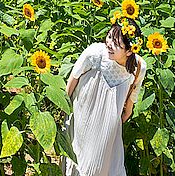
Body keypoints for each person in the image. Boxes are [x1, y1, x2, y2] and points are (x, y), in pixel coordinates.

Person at [63, 18, 147, 176]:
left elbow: (134, 90)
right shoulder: (95, 53)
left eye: (116, 44)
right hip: (83, 113)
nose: (109, 43)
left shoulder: (138, 66)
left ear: (129, 51)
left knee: (99, 163)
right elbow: (74, 77)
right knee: (77, 155)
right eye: (109, 37)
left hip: (108, 122)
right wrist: (64, 107)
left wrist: (126, 111)